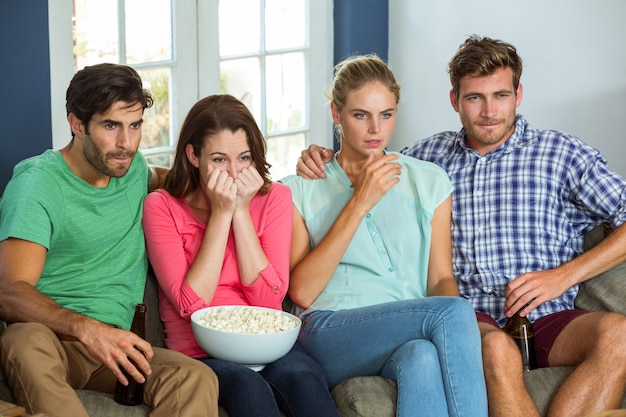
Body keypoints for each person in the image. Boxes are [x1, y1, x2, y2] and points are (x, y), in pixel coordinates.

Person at [297, 36, 626, 417]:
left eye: (500, 95)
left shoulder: (561, 153)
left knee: (619, 335)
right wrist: (318, 156)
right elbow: (363, 158)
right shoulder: (425, 161)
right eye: (474, 98)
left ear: (518, 95)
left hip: (549, 315)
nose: (489, 111)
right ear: (455, 101)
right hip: (471, 317)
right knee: (496, 350)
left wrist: (562, 276)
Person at [0, 63, 219, 417]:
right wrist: (88, 329)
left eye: (135, 126)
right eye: (110, 126)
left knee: (194, 377)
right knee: (23, 341)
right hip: (53, 339)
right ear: (76, 124)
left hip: (118, 350)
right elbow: (9, 291)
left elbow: (178, 181)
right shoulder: (37, 184)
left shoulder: (132, 170)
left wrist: (280, 179)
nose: (126, 143)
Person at [281, 54, 488, 417]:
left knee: (421, 357)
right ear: (336, 114)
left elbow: (439, 277)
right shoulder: (299, 188)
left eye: (386, 115)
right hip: (329, 331)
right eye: (361, 115)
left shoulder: (429, 180)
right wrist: (359, 201)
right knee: (454, 313)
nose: (375, 129)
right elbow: (301, 291)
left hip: (409, 329)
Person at [141, 94, 339, 417]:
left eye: (244, 158)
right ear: (193, 155)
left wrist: (241, 213)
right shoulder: (161, 207)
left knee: (304, 379)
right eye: (219, 160)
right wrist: (221, 215)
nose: (234, 173)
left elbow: (270, 303)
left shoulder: (275, 198)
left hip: (266, 343)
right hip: (200, 353)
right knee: (249, 387)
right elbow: (191, 305)